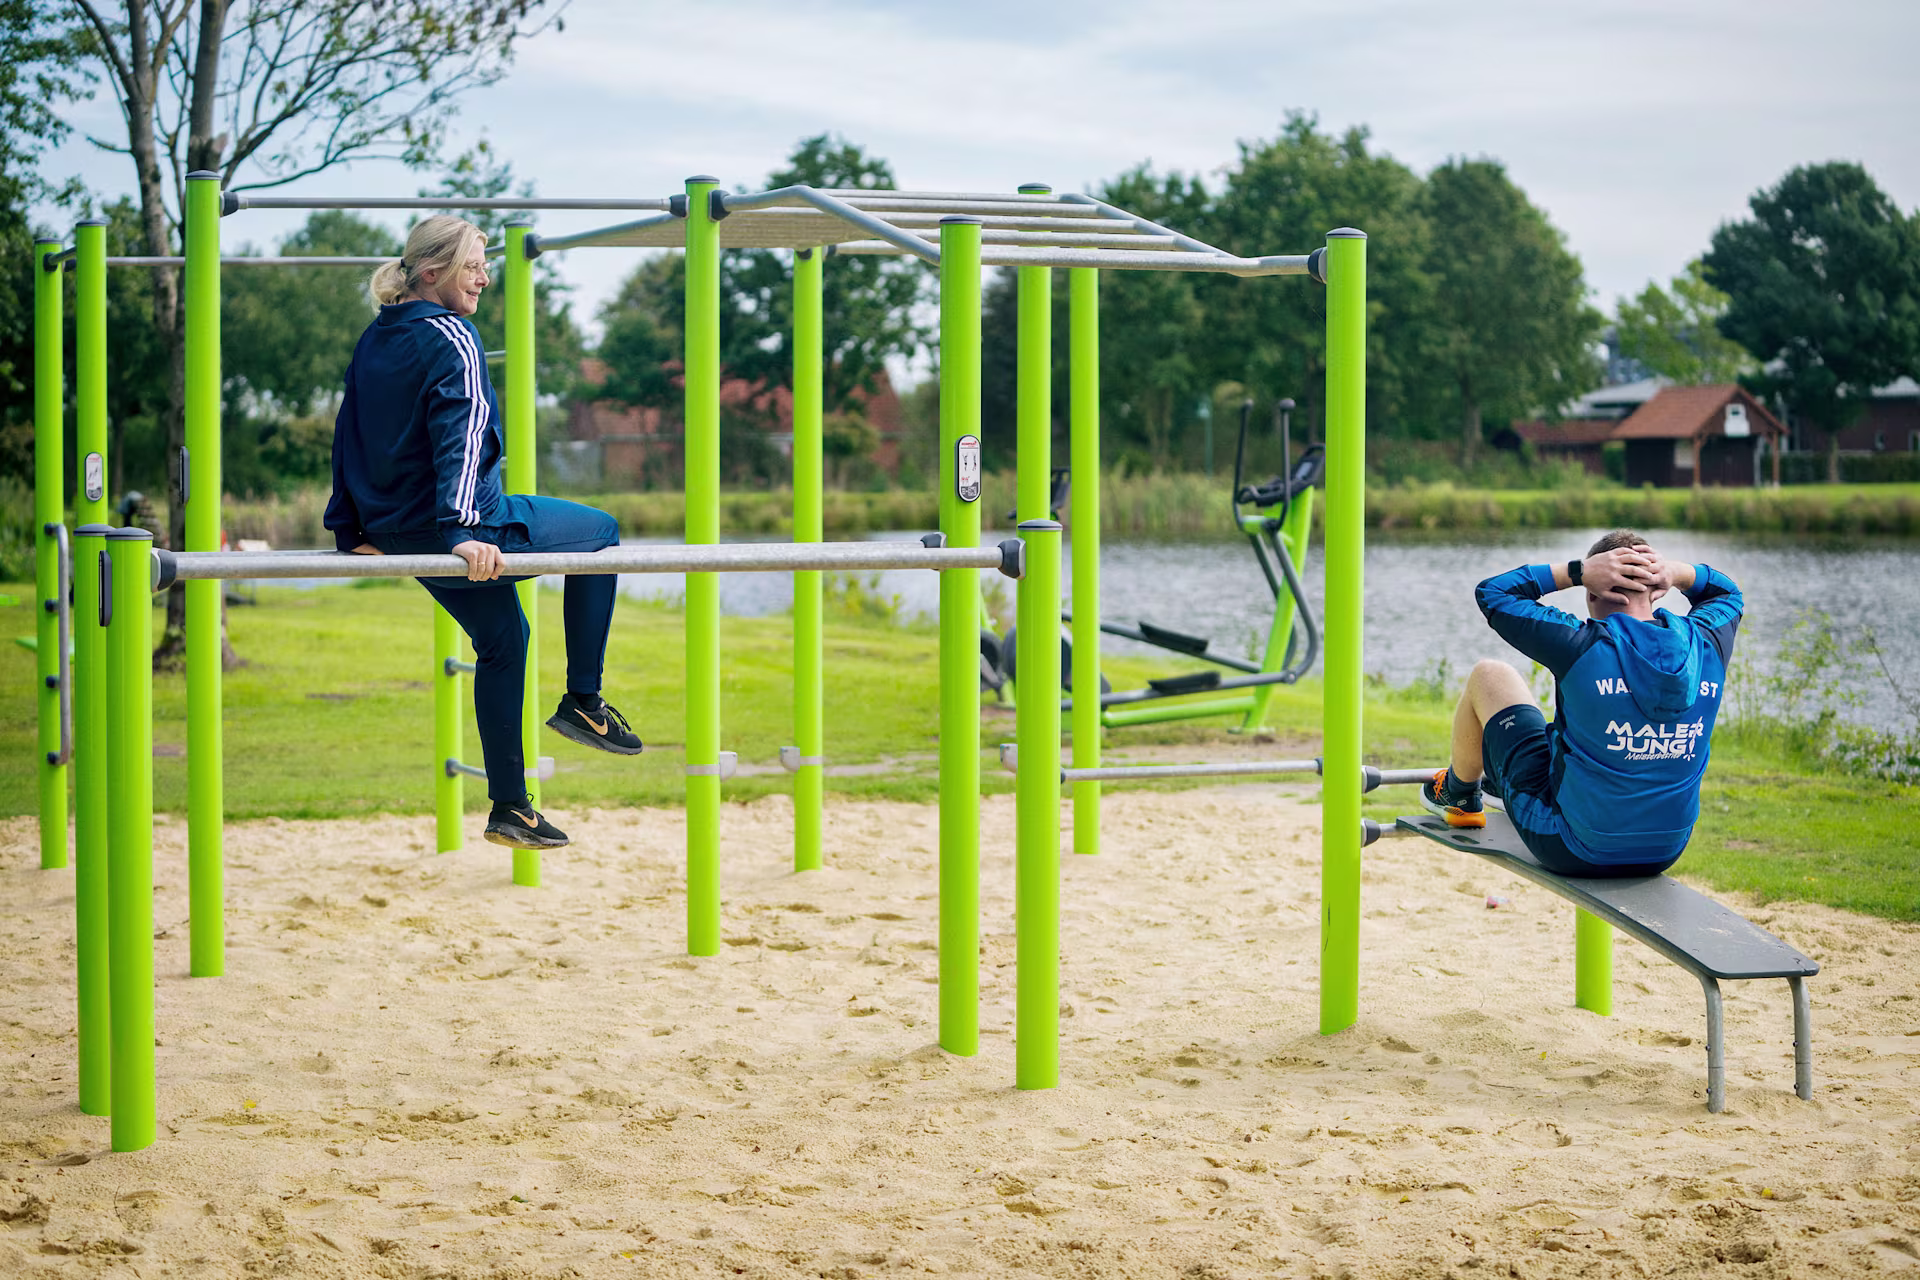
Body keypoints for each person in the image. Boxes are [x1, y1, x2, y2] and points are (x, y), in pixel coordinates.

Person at [324, 215, 643, 852]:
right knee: (603, 533)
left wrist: (349, 526)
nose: (485, 276)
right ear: (434, 272)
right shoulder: (453, 336)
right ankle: (584, 700)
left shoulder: (377, 337)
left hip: (398, 529)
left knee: (504, 638)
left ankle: (511, 808)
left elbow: (348, 429)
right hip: (467, 524)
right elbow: (462, 433)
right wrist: (464, 529)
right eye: (474, 265)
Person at [1420, 529, 1743, 878]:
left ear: (1592, 593)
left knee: (1489, 675)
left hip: (1571, 846)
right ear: (1657, 592)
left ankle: (1459, 795)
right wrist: (1676, 572)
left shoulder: (1581, 644)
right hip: (1665, 849)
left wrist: (1574, 571)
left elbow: (1494, 592)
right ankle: (1500, 786)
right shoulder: (1707, 642)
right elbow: (1728, 593)